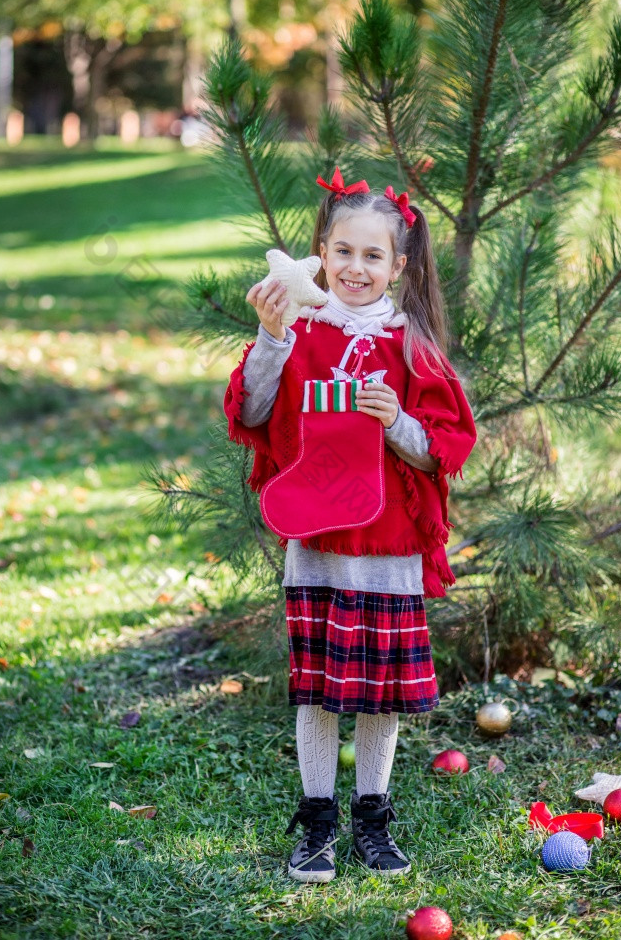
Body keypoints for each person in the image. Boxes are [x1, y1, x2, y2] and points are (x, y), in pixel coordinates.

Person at [223, 166, 477, 884]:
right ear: (321, 254)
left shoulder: (411, 347)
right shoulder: (299, 333)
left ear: (398, 265)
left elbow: (443, 450)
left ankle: (372, 813)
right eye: (342, 252)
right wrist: (270, 336)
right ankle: (316, 817)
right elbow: (249, 414)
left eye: (372, 256)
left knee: (378, 691)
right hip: (318, 539)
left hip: (387, 546)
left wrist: (395, 421)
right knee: (318, 687)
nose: (355, 268)